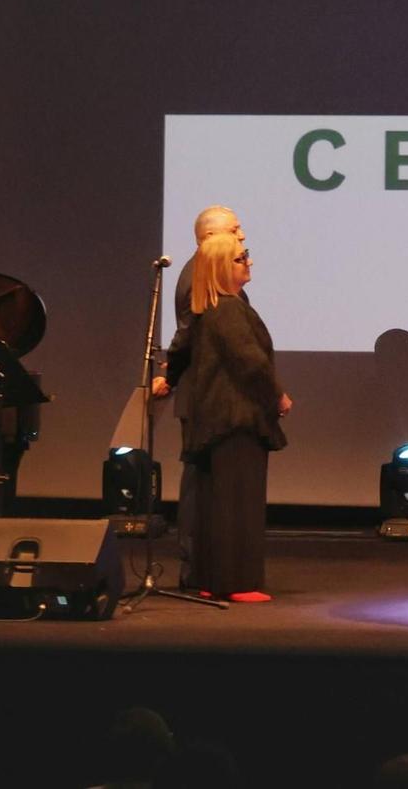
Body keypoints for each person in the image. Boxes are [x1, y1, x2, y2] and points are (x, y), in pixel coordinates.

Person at [180, 232, 290, 601]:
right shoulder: (227, 308)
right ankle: (237, 582)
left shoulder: (212, 308)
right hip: (236, 418)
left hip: (219, 419)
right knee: (238, 501)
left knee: (218, 501)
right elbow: (250, 360)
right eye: (242, 257)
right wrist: (277, 396)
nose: (249, 262)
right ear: (221, 267)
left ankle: (214, 578)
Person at [152, 205, 245, 586]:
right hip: (204, 393)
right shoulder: (197, 276)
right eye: (235, 230)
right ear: (210, 238)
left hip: (211, 392)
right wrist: (171, 376)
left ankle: (208, 565)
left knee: (207, 481)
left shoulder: (212, 272)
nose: (242, 237)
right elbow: (188, 335)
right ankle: (194, 567)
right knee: (197, 482)